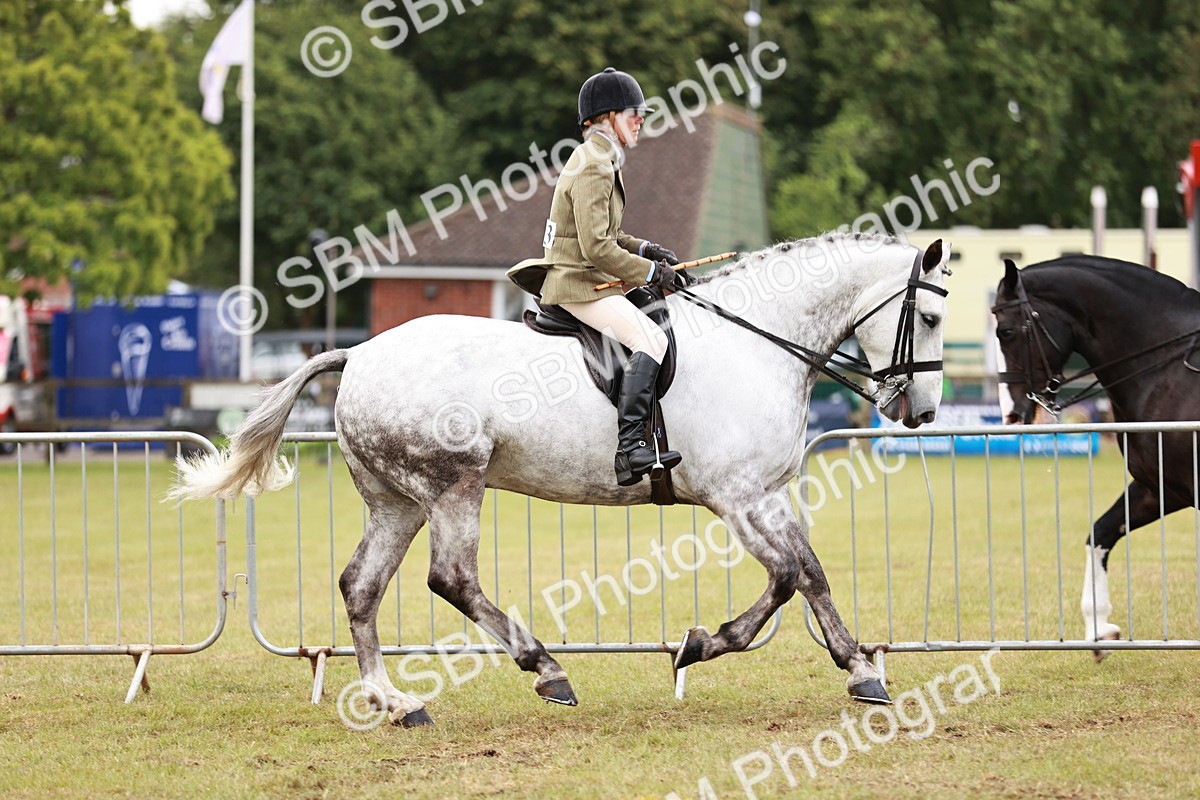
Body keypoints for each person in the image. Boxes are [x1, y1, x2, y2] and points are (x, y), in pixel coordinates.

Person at [511, 67, 682, 487]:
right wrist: (650, 272)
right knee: (649, 339)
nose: (641, 119)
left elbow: (609, 235)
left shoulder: (598, 158)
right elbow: (596, 249)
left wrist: (645, 249)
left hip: (587, 275)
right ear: (607, 116)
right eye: (633, 112)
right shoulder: (594, 165)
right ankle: (629, 449)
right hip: (577, 282)